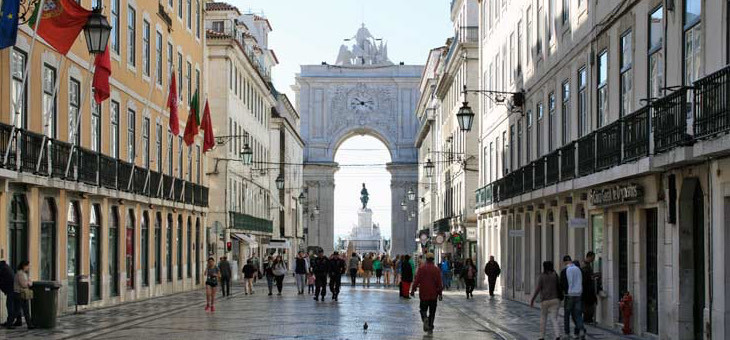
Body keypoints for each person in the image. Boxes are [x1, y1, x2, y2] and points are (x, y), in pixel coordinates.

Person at [410, 253, 443, 333]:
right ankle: (430, 327)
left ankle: (425, 318)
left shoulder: (421, 268)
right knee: (432, 311)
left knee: (423, 309)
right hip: (433, 294)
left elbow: (417, 280)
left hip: (424, 293)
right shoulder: (436, 269)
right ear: (433, 260)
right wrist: (440, 293)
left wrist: (413, 290)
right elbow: (439, 282)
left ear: (426, 259)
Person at [530, 261, 562, 340]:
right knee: (554, 318)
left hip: (545, 301)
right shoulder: (555, 275)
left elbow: (538, 289)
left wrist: (532, 299)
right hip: (555, 299)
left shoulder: (542, 276)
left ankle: (541, 336)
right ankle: (557, 335)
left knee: (543, 318)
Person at [560, 255, 585, 339]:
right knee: (578, 314)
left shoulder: (564, 271)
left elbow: (563, 284)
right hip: (578, 294)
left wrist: (563, 292)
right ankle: (581, 330)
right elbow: (582, 281)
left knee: (567, 315)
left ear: (565, 262)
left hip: (569, 295)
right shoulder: (579, 269)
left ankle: (567, 333)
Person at [581, 251, 598, 324]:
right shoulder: (585, 266)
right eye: (593, 258)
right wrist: (593, 276)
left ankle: (588, 319)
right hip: (587, 289)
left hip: (588, 289)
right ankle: (587, 319)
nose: (593, 259)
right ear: (589, 257)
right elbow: (586, 277)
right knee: (588, 306)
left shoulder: (587, 265)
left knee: (589, 305)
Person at [0, 260, 16, 328]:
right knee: (15, 305)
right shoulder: (6, 267)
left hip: (10, 289)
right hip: (14, 288)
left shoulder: (2, 269)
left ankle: (9, 323)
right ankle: (18, 321)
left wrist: (3, 288)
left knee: (10, 306)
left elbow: (1, 281)